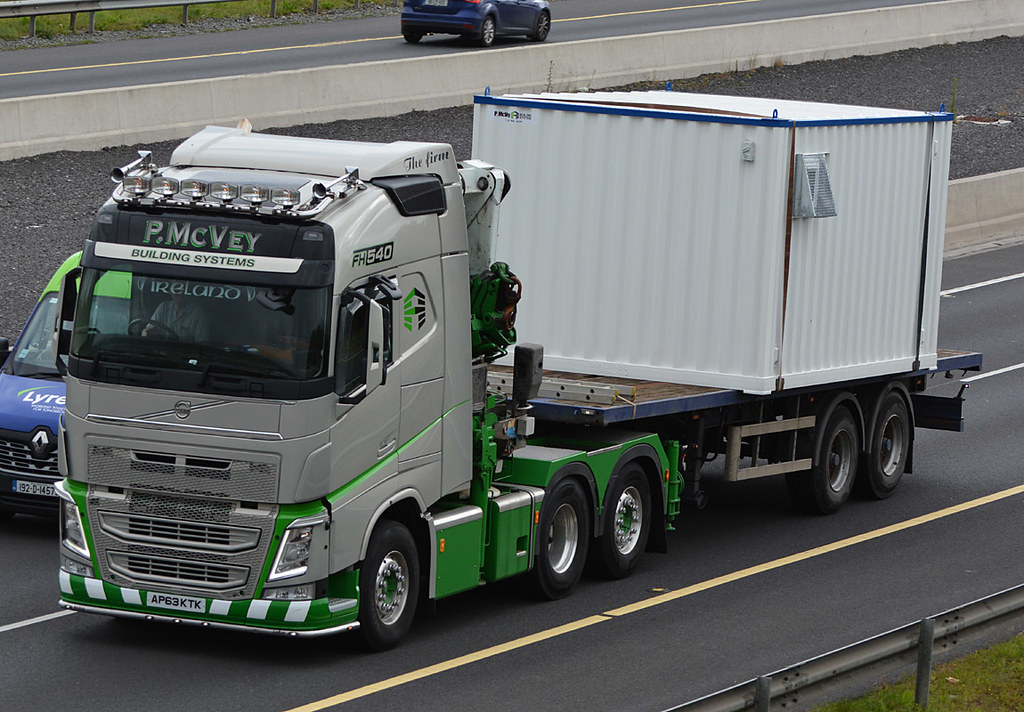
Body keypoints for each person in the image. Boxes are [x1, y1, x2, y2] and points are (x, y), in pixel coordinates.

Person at [143, 293, 210, 342]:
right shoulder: (163, 307)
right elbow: (145, 332)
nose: (179, 293)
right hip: (161, 352)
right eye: (176, 289)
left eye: (182, 289)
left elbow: (203, 344)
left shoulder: (197, 314)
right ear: (171, 291)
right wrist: (148, 333)